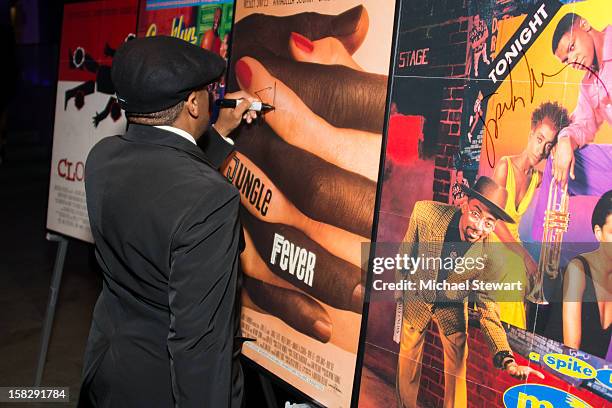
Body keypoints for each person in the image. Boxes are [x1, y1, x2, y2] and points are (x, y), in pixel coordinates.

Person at [78, 36, 258, 408]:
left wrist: (218, 133)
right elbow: (199, 344)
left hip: (110, 366)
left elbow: (166, 194)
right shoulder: (210, 199)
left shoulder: (101, 158)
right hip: (164, 387)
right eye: (209, 92)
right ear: (193, 104)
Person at [396, 176, 543, 408]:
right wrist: (400, 293)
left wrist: (507, 360)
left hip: (452, 307)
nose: (478, 228)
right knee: (408, 360)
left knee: (457, 365)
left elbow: (488, 309)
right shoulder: (425, 213)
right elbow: (406, 254)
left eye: (489, 222)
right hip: (417, 295)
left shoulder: (491, 256)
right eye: (476, 213)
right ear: (464, 203)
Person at [533, 13, 612, 241]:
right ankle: (545, 253)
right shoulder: (588, 85)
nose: (573, 61)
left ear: (585, 25)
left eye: (572, 47)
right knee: (557, 160)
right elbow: (583, 124)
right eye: (566, 60)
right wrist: (565, 139)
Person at [490, 102, 570, 329]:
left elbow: (559, 193)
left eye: (548, 145)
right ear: (530, 133)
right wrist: (526, 258)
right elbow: (495, 222)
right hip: (495, 243)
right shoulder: (505, 166)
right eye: (539, 139)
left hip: (513, 248)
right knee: (518, 273)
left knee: (544, 278)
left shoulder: (538, 178)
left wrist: (563, 218)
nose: (541, 149)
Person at [551, 190, 612, 359]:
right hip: (558, 371)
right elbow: (571, 349)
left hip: (589, 377)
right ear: (598, 233)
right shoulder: (578, 270)